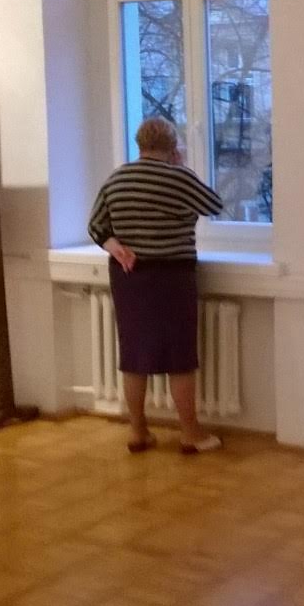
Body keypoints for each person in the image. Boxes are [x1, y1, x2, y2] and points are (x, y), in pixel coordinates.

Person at [87, 118, 224, 454]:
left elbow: (96, 226)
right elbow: (214, 205)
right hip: (172, 276)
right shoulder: (177, 177)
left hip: (129, 277)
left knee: (134, 355)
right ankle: (190, 434)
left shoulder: (117, 178)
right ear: (172, 146)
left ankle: (138, 431)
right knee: (179, 357)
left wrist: (117, 248)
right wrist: (182, 168)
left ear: (139, 144)